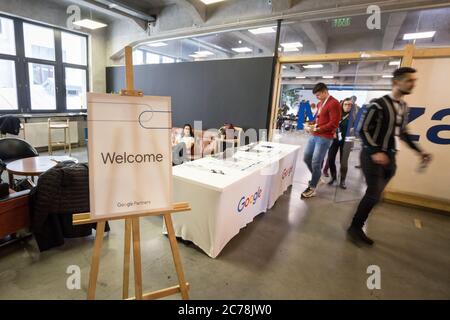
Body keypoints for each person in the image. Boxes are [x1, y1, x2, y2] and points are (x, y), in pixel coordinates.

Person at [347, 67, 432, 245]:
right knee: (372, 194)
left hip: (390, 159)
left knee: (376, 196)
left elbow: (403, 133)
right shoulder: (378, 104)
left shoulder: (403, 107)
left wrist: (419, 151)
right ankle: (355, 228)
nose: (413, 84)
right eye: (409, 80)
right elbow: (361, 129)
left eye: (414, 81)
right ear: (396, 82)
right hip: (372, 158)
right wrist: (375, 151)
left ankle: (357, 223)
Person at [301, 83, 341, 198]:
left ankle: (312, 187)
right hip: (314, 135)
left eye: (318, 95)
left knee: (315, 161)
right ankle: (317, 178)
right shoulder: (320, 104)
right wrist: (310, 124)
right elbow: (319, 119)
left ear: (324, 91)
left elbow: (334, 124)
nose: (317, 97)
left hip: (324, 137)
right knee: (307, 157)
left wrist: (318, 128)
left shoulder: (334, 103)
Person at [325, 98, 354, 189]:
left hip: (346, 142)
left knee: (343, 162)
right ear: (342, 105)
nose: (348, 106)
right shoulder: (337, 114)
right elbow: (331, 124)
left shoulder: (354, 116)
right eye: (346, 104)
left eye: (350, 105)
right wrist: (332, 132)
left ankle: (342, 180)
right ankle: (333, 177)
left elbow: (358, 128)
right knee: (330, 159)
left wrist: (354, 130)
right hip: (335, 140)